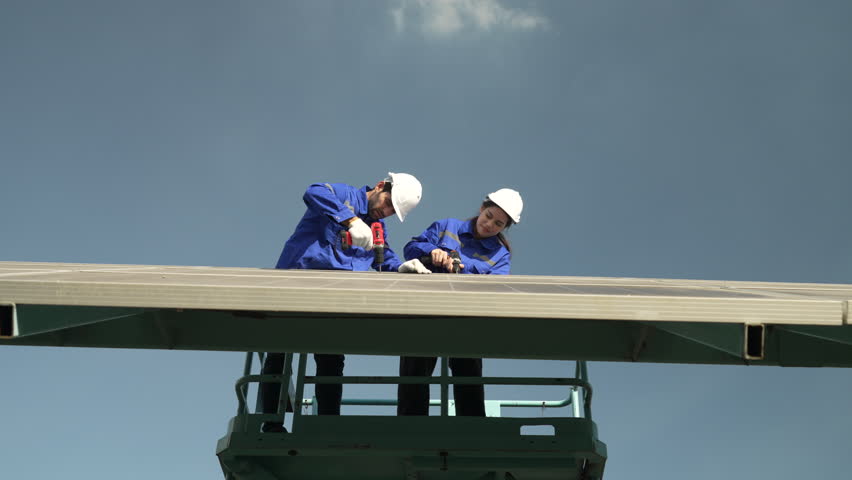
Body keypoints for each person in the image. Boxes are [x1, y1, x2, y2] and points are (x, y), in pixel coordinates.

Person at [260, 172, 431, 432]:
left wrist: (401, 267)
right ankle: (271, 424)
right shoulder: (343, 195)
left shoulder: (377, 228)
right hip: (297, 285)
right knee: (279, 355)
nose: (385, 212)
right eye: (387, 203)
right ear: (380, 186)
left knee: (331, 361)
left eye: (392, 211)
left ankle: (327, 427)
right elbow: (313, 191)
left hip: (336, 299)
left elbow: (382, 258)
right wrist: (350, 220)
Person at [396, 188, 523, 417]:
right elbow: (410, 249)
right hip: (426, 310)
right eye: (489, 216)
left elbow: (496, 288)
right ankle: (411, 424)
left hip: (466, 316)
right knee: (415, 366)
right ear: (482, 209)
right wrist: (432, 251)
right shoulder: (447, 227)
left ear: (504, 228)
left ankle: (472, 427)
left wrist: (466, 272)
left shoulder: (500, 254)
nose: (489, 225)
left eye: (498, 224)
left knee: (468, 370)